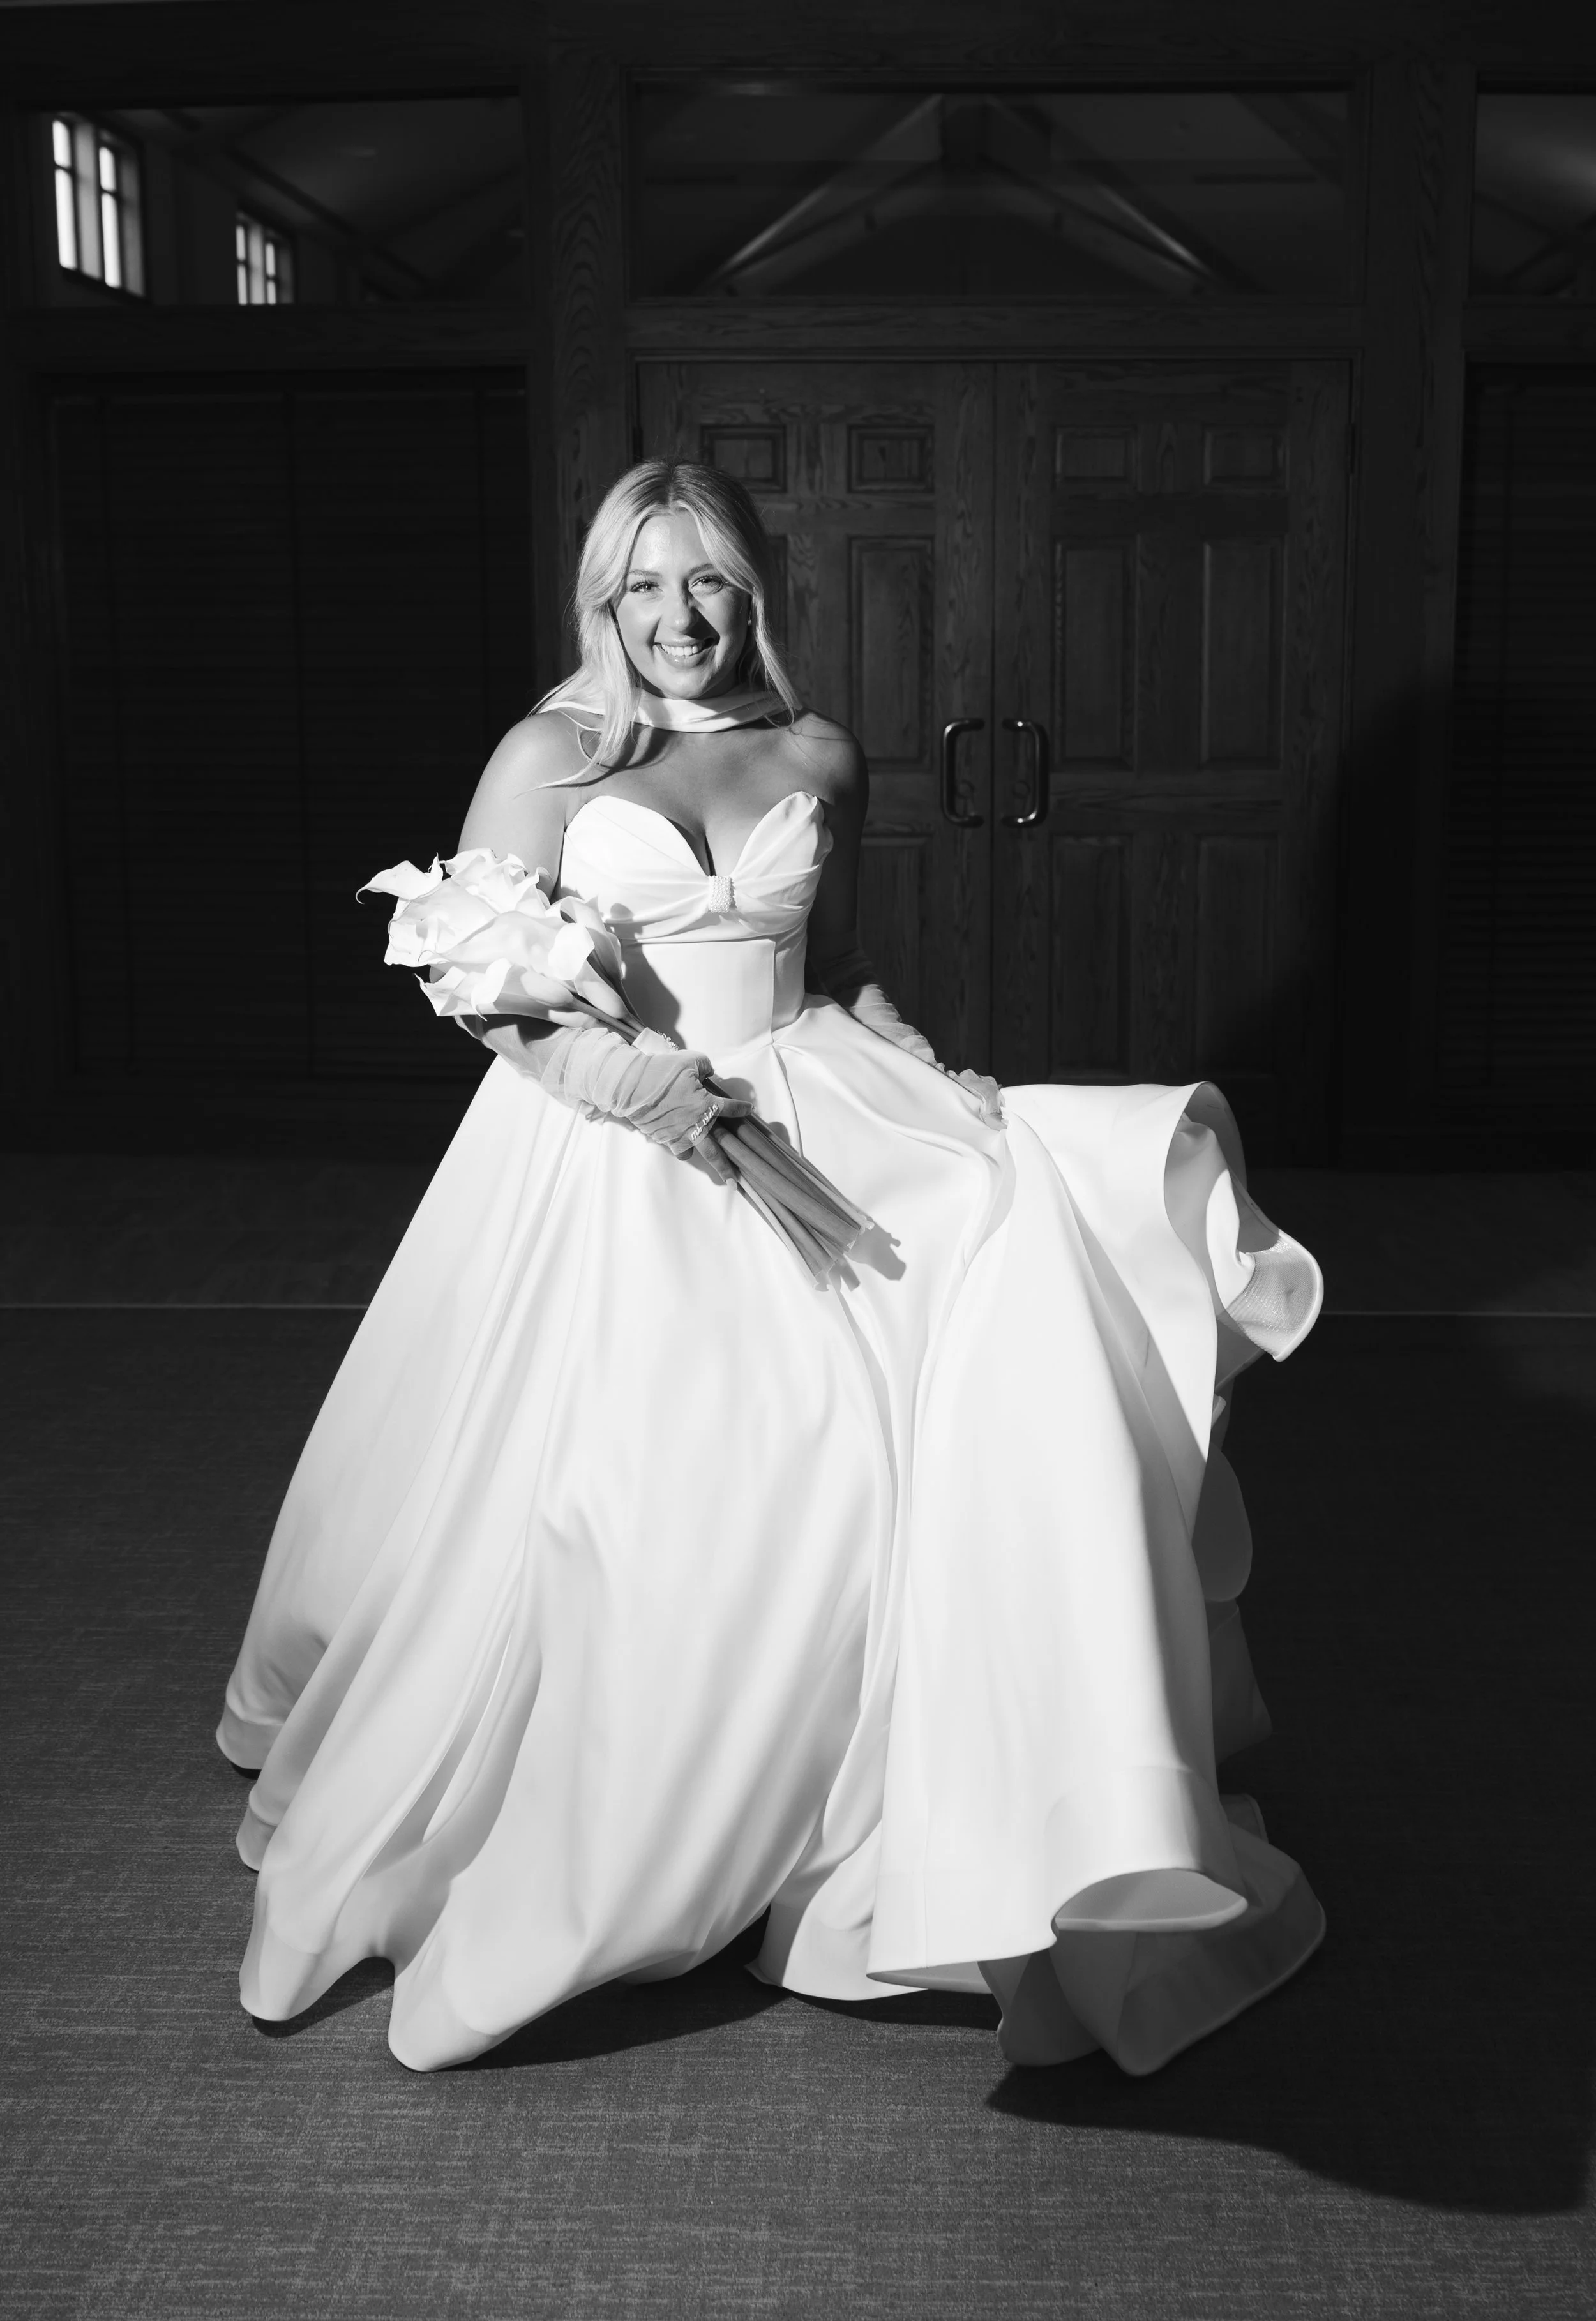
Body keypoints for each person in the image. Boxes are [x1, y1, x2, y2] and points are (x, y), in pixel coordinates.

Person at [218, 460, 1326, 2076]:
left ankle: (880, 1805)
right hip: (608, 1141)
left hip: (809, 1112)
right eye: (641, 586)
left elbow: (834, 959)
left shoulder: (817, 751)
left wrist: (917, 1063)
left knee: (942, 1368)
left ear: (754, 591)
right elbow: (481, 980)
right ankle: (630, 1822)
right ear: (602, 602)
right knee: (640, 1492)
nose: (676, 617)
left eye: (708, 582)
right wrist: (642, 1090)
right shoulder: (548, 755)